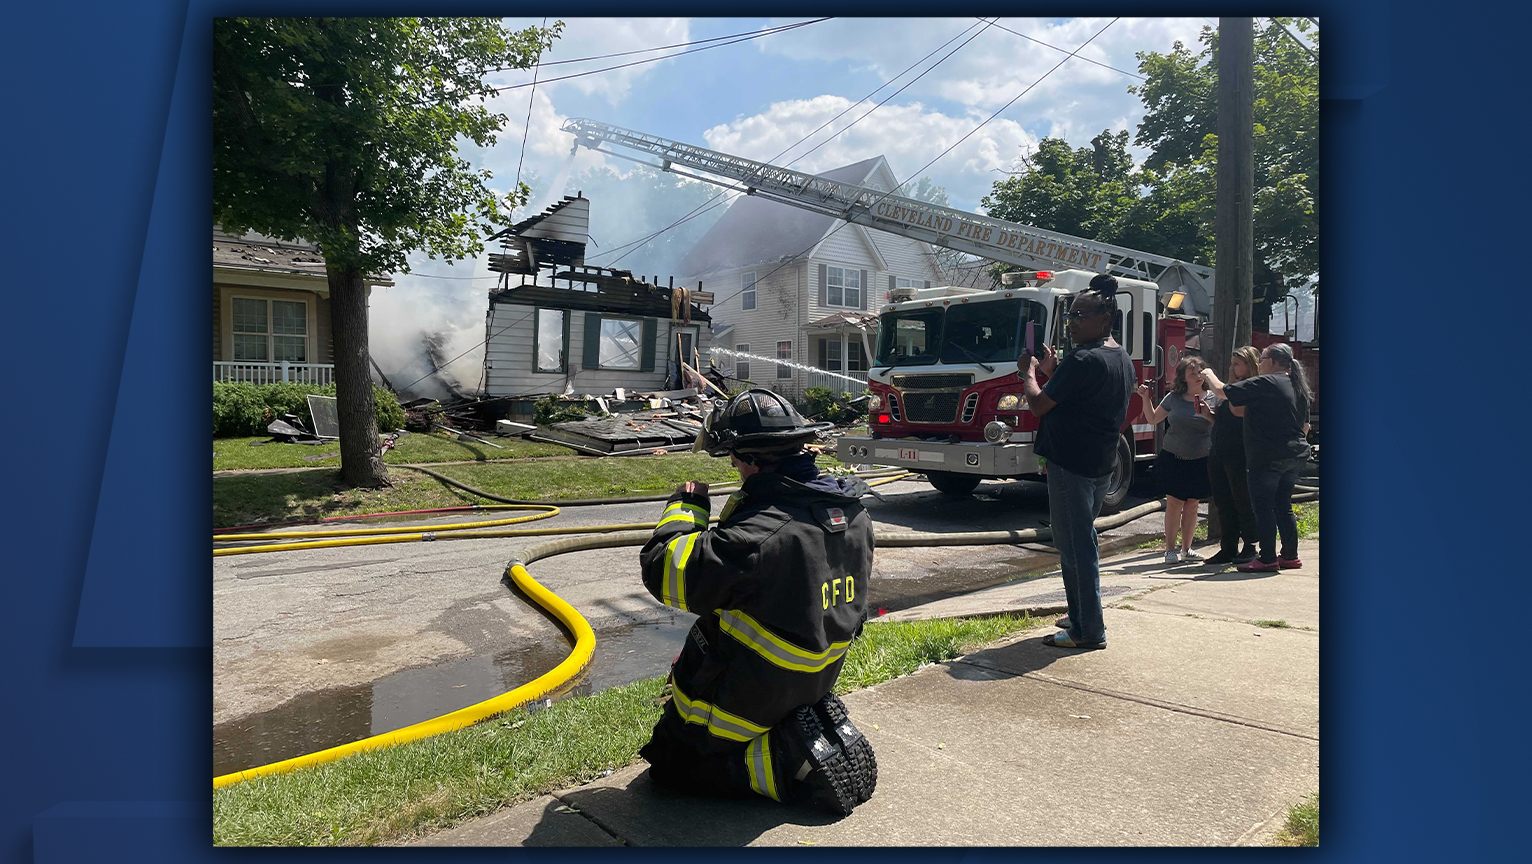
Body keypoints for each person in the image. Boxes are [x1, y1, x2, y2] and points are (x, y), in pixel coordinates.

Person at [637, 388, 879, 815]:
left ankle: (790, 762)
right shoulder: (853, 512)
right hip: (810, 679)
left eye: (732, 458)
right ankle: (807, 728)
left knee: (671, 766)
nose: (734, 467)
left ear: (749, 459)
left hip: (746, 697)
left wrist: (686, 508)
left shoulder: (756, 538)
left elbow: (664, 572)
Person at [1018, 273, 1136, 650]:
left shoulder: (1083, 359)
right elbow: (1082, 396)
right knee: (1080, 541)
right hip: (1101, 461)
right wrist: (1054, 372)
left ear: (1104, 318)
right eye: (1069, 316)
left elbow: (1039, 404)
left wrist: (1029, 373)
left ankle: (1088, 630)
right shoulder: (1120, 356)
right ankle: (1080, 612)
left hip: (1071, 463)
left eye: (1078, 315)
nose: (1071, 323)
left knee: (1075, 547)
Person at [1201, 343, 1313, 572]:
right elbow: (1304, 424)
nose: (1260, 364)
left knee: (1263, 508)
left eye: (1262, 360)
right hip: (1293, 454)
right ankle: (1290, 555)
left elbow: (1223, 391)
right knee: (1283, 505)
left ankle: (1267, 558)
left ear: (1272, 362)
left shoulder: (1267, 382)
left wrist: (1208, 374)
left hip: (1266, 457)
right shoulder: (1297, 384)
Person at [1136, 356, 1213, 564]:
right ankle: (1170, 550)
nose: (1198, 376)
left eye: (1200, 371)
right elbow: (1152, 418)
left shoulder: (1214, 397)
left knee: (1193, 504)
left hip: (1200, 459)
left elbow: (1220, 426)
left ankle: (1187, 549)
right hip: (1174, 457)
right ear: (1184, 378)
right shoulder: (1174, 398)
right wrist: (1145, 398)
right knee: (1174, 503)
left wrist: (1209, 415)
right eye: (1192, 373)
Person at [1203, 346, 1262, 565]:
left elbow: (1239, 411)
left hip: (1240, 453)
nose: (1231, 367)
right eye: (1232, 363)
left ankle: (1250, 545)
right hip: (1219, 451)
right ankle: (1228, 547)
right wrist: (1208, 415)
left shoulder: (1251, 388)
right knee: (1223, 501)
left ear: (1250, 366)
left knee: (1242, 499)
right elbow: (1223, 418)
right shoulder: (1230, 390)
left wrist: (1209, 375)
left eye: (1236, 363)